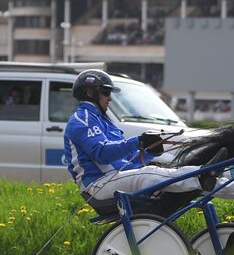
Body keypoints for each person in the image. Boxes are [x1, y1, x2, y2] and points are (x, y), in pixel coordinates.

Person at [63, 69, 221, 210]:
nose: (110, 98)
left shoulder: (103, 121)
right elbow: (102, 154)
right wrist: (137, 141)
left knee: (166, 172)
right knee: (150, 173)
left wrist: (148, 154)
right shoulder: (82, 119)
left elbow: (127, 164)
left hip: (114, 179)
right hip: (98, 185)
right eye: (106, 92)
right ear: (90, 93)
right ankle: (203, 174)